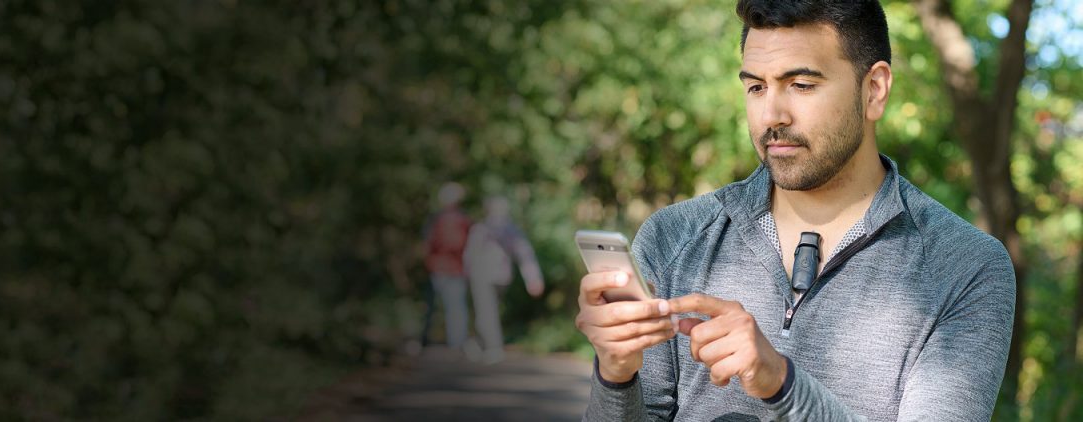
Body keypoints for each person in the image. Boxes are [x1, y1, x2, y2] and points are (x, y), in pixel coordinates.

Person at [577, 1, 1015, 420]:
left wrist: (781, 384)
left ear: (874, 90)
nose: (771, 115)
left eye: (801, 85)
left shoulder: (967, 266)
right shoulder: (674, 237)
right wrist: (615, 376)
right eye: (755, 86)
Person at [463, 196, 545, 364]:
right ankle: (486, 345)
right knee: (487, 312)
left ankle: (489, 347)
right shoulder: (487, 229)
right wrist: (533, 278)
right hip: (487, 277)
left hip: (493, 277)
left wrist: (533, 279)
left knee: (487, 312)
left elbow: (524, 254)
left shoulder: (493, 229)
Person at [421, 182, 473, 352]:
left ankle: (425, 340)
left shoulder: (436, 219)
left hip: (438, 267)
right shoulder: (464, 220)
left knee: (432, 306)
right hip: (456, 268)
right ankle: (457, 342)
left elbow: (428, 243)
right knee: (456, 307)